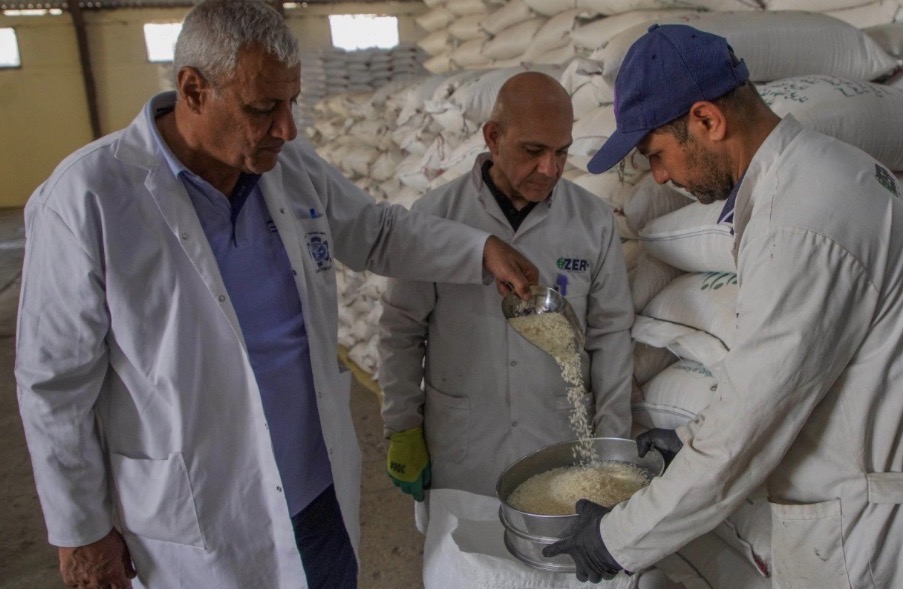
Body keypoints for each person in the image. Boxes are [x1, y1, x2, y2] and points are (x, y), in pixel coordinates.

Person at [13, 1, 539, 588]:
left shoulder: (288, 168)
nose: (286, 129)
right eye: (263, 108)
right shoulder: (88, 198)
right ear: (193, 90)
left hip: (316, 491)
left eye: (291, 103)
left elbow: (377, 231)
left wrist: (479, 250)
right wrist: (80, 529)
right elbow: (54, 384)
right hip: (202, 511)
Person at [544, 24, 903, 587]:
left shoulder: (799, 223)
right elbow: (787, 376)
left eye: (656, 154)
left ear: (707, 120)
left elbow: (748, 428)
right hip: (866, 509)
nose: (661, 176)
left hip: (869, 540)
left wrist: (616, 538)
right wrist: (689, 439)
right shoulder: (820, 174)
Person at [378, 72, 634, 503]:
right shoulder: (435, 217)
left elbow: (610, 336)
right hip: (463, 445)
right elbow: (401, 329)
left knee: (555, 541)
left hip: (558, 441)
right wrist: (402, 426)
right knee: (463, 544)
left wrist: (611, 446)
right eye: (533, 151)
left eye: (561, 152)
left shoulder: (591, 221)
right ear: (493, 138)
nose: (549, 168)